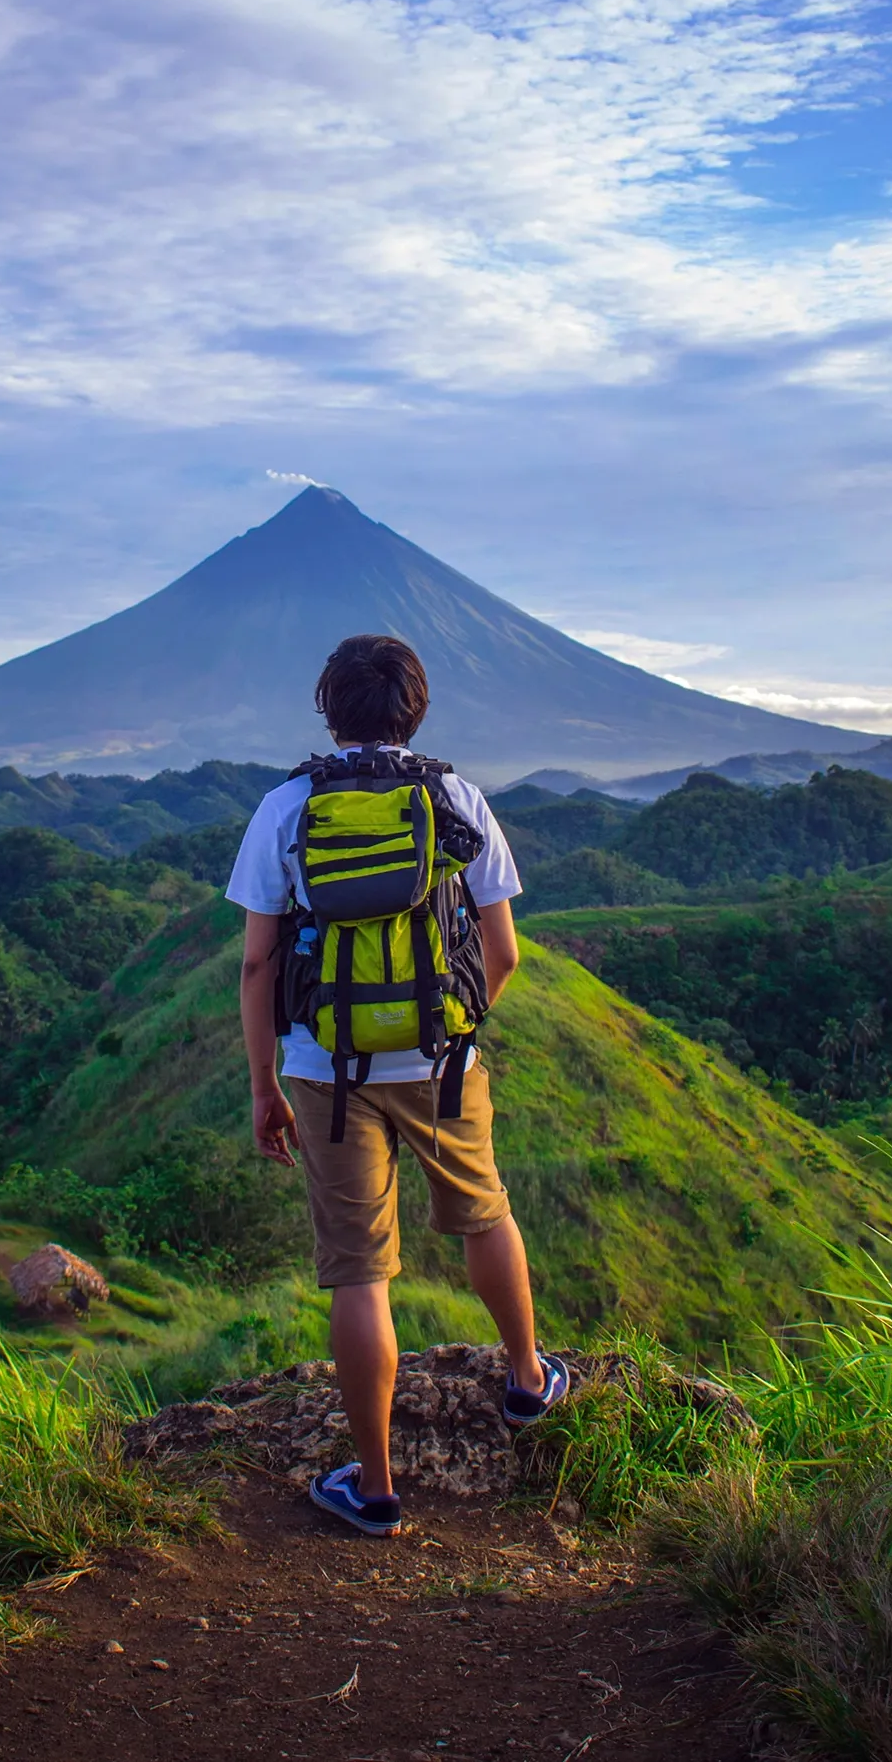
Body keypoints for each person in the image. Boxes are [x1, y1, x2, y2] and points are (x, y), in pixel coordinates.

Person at [226, 632, 563, 1536]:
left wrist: (265, 1083)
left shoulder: (287, 806)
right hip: (442, 1061)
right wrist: (453, 1026)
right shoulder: (454, 796)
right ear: (416, 706)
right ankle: (528, 1380)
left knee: (359, 1271)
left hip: (323, 1068)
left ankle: (374, 1489)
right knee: (484, 1210)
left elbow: (259, 966)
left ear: (328, 707)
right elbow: (504, 951)